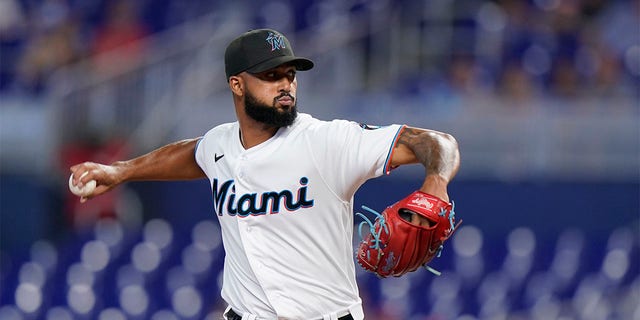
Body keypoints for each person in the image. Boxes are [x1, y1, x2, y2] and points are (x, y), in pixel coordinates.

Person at [69, 28, 460, 320]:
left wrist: (435, 183)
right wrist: (120, 171)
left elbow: (436, 141)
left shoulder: (327, 141)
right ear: (237, 84)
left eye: (290, 74)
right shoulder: (220, 144)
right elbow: (193, 154)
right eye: (271, 76)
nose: (286, 84)